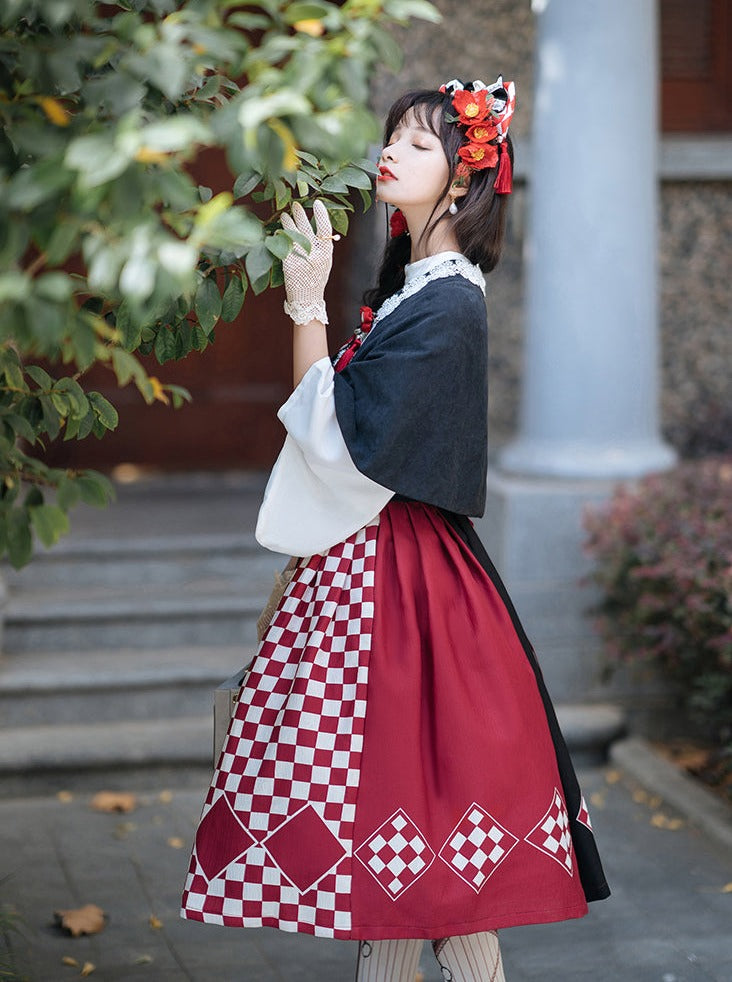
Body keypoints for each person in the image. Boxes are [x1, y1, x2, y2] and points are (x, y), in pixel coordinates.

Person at [181, 77, 610, 981]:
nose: (390, 152)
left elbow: (337, 448)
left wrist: (305, 307)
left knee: (421, 873)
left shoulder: (448, 306)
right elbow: (334, 437)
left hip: (402, 603)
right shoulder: (418, 294)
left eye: (418, 144)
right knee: (408, 883)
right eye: (392, 137)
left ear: (462, 179)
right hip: (380, 584)